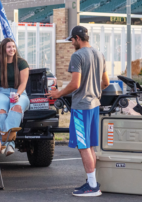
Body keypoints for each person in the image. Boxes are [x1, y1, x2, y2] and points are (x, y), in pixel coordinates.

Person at [47, 26, 109, 197]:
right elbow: (106, 82)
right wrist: (94, 89)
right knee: (89, 146)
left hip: (82, 106)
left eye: (71, 40)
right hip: (94, 104)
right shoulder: (99, 54)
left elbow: (75, 84)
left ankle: (92, 187)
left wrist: (58, 93)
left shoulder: (77, 55)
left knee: (83, 147)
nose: (71, 43)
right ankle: (92, 182)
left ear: (77, 38)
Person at [0, 38, 30, 156]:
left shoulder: (22, 63)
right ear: (3, 49)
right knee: (0, 111)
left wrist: (18, 94)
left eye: (13, 47)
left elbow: (23, 83)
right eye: (9, 47)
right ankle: (9, 144)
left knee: (16, 108)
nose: (12, 49)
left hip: (19, 92)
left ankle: (6, 142)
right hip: (2, 92)